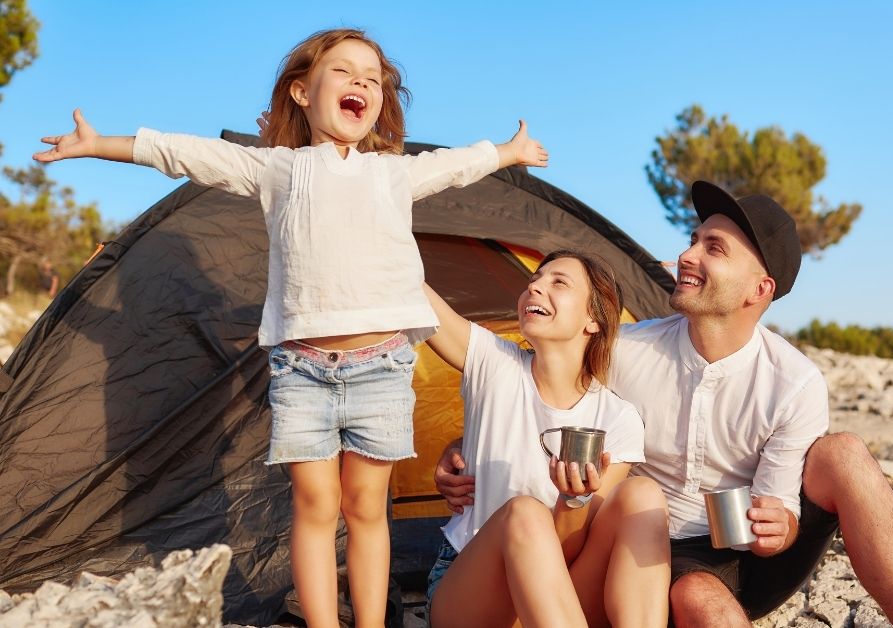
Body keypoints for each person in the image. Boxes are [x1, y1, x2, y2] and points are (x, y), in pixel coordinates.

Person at [34, 28, 548, 628]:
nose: (361, 82)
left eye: (372, 78)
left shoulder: (391, 174)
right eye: (344, 71)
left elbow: (455, 165)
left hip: (382, 365)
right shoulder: (278, 168)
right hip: (302, 371)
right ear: (302, 92)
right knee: (314, 505)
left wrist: (507, 152)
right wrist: (103, 145)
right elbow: (190, 153)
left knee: (365, 507)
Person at [438, 181, 893, 627]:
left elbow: (782, 509)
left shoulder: (793, 381)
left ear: (758, 289)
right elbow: (549, 395)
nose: (687, 255)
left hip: (751, 551)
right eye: (693, 240)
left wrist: (780, 527)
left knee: (845, 454)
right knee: (697, 594)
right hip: (653, 552)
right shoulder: (626, 351)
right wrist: (466, 447)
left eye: (714, 248)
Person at [421, 249, 670, 627]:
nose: (535, 286)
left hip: (559, 594)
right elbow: (413, 293)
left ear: (593, 320)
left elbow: (570, 549)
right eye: (534, 280)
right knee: (524, 512)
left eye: (558, 282)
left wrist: (574, 501)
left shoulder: (619, 420)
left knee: (643, 495)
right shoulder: (494, 365)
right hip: (474, 595)